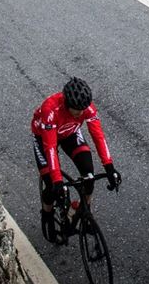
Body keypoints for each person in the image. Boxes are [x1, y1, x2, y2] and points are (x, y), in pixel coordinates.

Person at [32, 76, 121, 242]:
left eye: (83, 109)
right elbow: (50, 147)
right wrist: (58, 180)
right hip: (44, 137)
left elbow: (98, 136)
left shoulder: (86, 108)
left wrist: (109, 166)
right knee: (51, 185)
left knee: (89, 175)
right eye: (76, 110)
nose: (81, 113)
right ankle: (47, 215)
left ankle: (82, 212)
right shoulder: (50, 110)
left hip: (70, 133)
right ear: (67, 104)